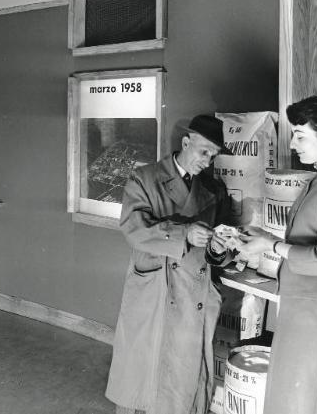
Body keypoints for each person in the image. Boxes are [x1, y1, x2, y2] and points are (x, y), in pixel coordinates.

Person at [239, 95, 317, 414]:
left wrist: (270, 245)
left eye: (301, 135)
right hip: (303, 310)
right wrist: (265, 237)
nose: (294, 143)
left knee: (310, 405)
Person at [105, 114, 232, 414]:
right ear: (186, 143)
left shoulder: (213, 190)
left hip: (193, 290)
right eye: (204, 152)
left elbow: (219, 251)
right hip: (155, 288)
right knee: (145, 374)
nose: (208, 161)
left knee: (183, 378)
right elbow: (134, 229)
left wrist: (217, 247)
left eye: (213, 156)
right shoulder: (144, 179)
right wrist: (184, 233)